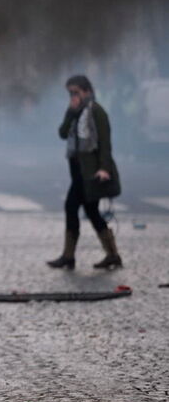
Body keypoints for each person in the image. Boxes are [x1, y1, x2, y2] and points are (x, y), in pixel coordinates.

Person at [47, 75, 122, 270]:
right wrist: (71, 112)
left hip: (90, 172)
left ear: (87, 91)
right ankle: (112, 255)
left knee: (71, 206)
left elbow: (105, 143)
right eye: (70, 93)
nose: (72, 96)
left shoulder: (97, 112)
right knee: (91, 211)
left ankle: (68, 256)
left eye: (76, 92)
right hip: (76, 168)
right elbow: (62, 133)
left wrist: (104, 168)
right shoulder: (75, 113)